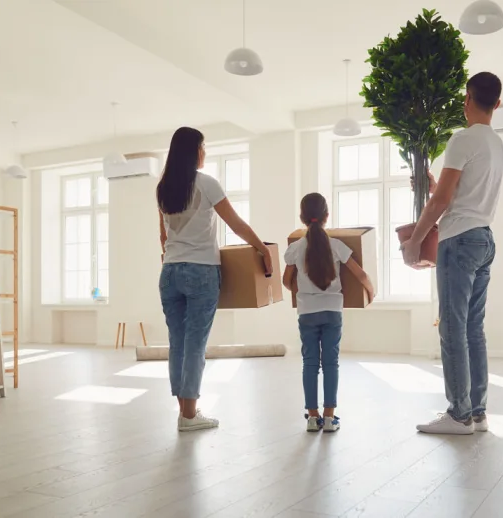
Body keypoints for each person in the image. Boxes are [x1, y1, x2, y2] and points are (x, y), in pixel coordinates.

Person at [401, 72, 503, 435]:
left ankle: (458, 414)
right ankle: (477, 412)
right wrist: (434, 186)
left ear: (467, 99)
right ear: (497, 102)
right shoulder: (496, 144)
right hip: (483, 239)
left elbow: (445, 201)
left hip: (459, 240)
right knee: (473, 328)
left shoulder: (462, 139)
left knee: (451, 327)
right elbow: (456, 191)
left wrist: (415, 238)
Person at [157, 127, 273, 432]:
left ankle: (186, 413)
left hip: (169, 272)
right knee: (195, 344)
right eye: (203, 147)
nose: (205, 152)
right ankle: (189, 415)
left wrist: (173, 256)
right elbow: (235, 225)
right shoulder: (206, 184)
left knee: (177, 344)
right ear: (194, 150)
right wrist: (263, 249)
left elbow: (163, 236)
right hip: (201, 271)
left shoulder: (163, 188)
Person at [283, 193, 374, 433]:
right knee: (331, 363)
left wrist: (302, 289)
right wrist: (370, 292)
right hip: (333, 311)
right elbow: (361, 275)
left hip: (307, 312)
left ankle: (313, 417)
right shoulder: (337, 246)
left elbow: (285, 281)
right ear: (327, 216)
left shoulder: (295, 248)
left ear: (302, 218)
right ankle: (330, 417)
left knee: (310, 363)